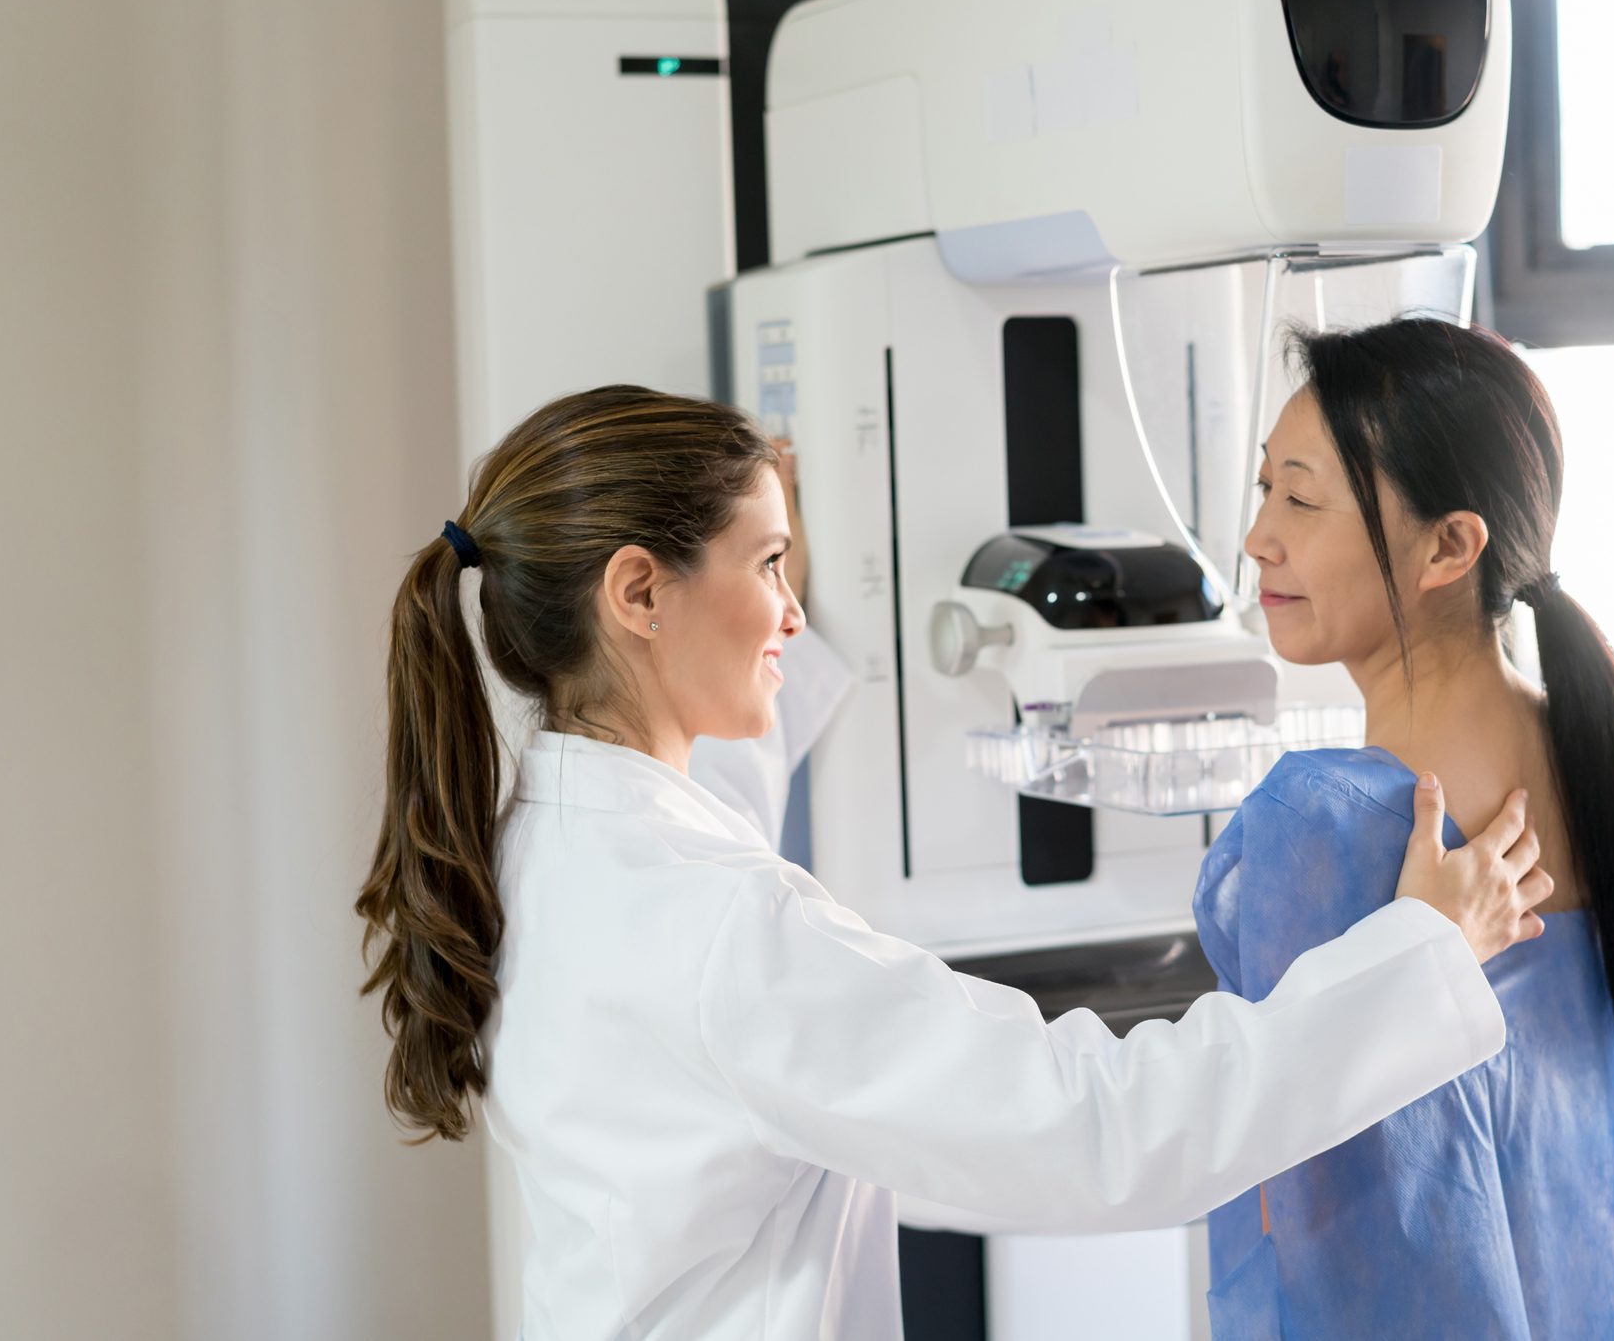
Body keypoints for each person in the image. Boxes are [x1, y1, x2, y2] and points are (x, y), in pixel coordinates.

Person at [352, 384, 1552, 1340]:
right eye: (766, 566)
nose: (790, 609)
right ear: (636, 592)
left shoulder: (544, 842)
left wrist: (766, 586)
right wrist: (1422, 956)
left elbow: (709, 840)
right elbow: (1102, 1133)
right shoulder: (719, 927)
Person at [1195, 319, 1614, 1338]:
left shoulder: (1327, 824)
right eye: (1264, 489)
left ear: (1449, 545)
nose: (1259, 537)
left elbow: (1299, 1216)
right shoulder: (1591, 756)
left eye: (1300, 498)